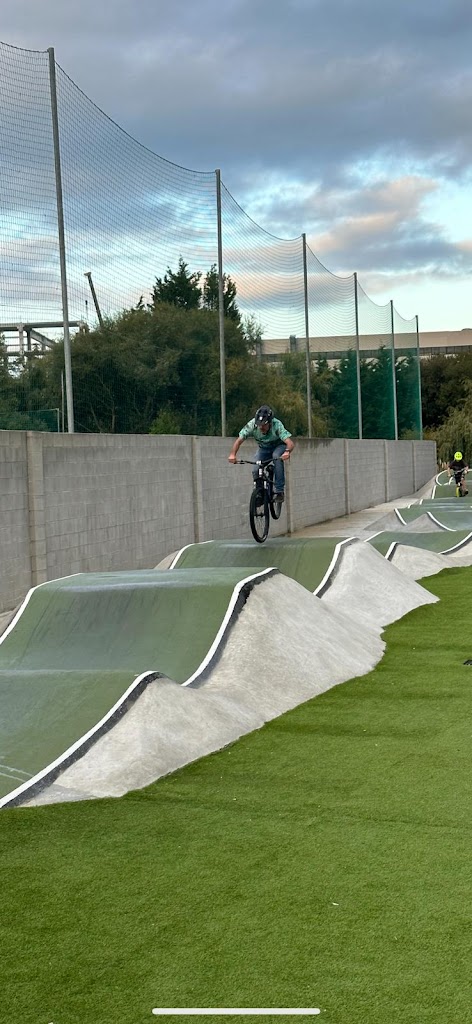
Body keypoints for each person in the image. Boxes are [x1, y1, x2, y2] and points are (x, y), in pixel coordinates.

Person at [228, 404, 294, 500]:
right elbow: (239, 440)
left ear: (270, 423)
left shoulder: (277, 425)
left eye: (264, 425)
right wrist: (232, 454)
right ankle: (259, 494)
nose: (261, 428)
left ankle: (279, 491)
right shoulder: (252, 425)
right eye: (259, 425)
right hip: (264, 449)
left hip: (279, 446)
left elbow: (290, 443)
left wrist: (287, 452)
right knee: (255, 469)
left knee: (276, 456)